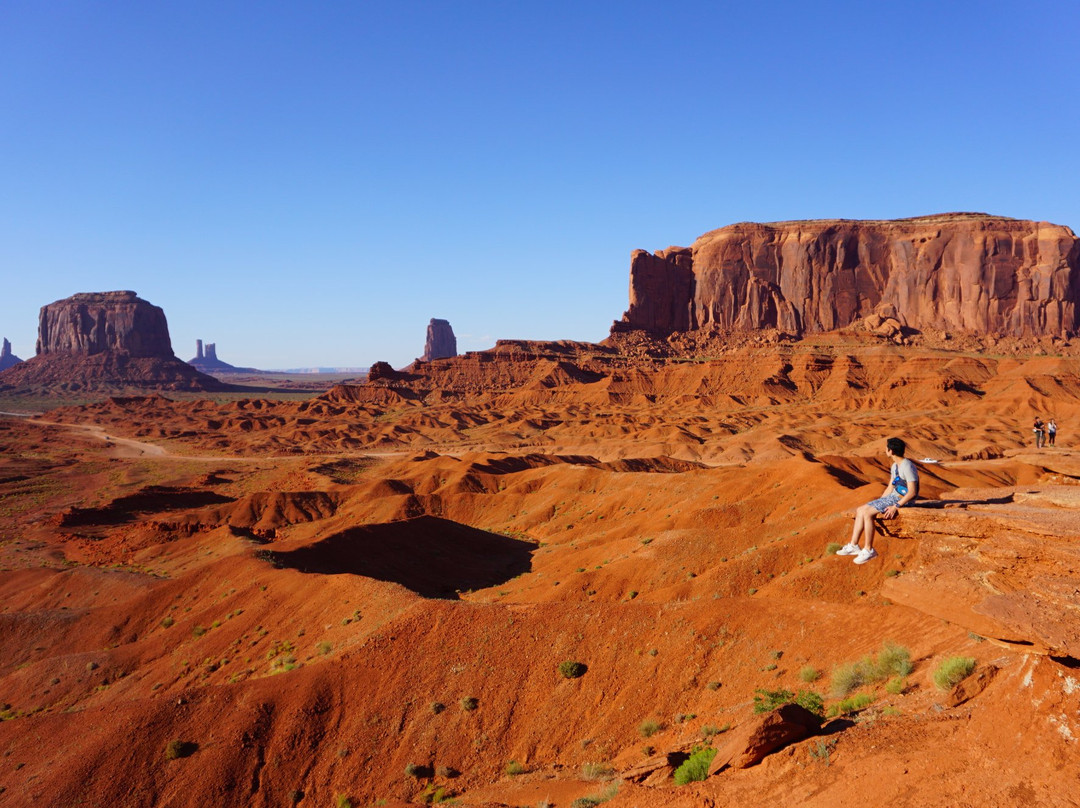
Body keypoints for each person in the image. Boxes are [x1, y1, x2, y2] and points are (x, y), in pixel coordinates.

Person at [837, 437, 919, 565]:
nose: (885, 450)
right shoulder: (895, 466)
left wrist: (895, 506)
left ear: (890, 451)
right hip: (893, 496)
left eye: (886, 448)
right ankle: (854, 545)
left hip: (904, 500)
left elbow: (912, 492)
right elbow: (891, 486)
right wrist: (880, 502)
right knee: (861, 510)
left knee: (868, 513)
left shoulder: (907, 466)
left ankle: (869, 549)